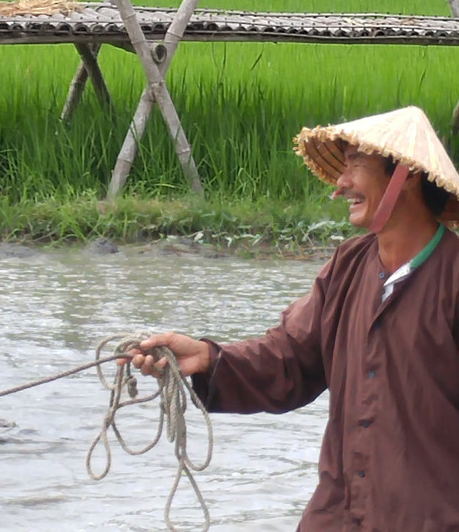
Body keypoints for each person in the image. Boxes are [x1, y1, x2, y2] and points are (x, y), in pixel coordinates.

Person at [126, 105, 459, 530]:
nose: (341, 183)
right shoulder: (347, 266)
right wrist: (208, 358)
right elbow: (288, 355)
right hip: (338, 517)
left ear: (407, 174)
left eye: (356, 164)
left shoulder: (453, 277)